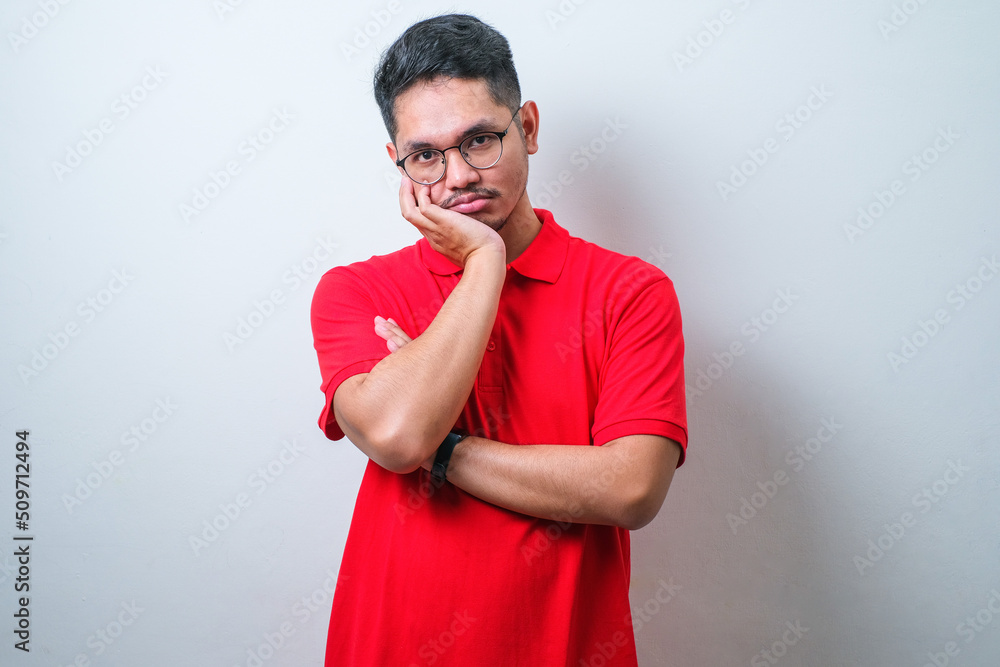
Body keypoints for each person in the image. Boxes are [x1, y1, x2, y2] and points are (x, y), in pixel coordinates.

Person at [310, 13, 687, 666]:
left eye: (480, 139)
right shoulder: (356, 292)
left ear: (529, 128)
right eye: (425, 155)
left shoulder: (630, 291)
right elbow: (398, 436)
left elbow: (630, 489)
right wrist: (485, 264)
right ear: (397, 162)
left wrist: (446, 449)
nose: (456, 178)